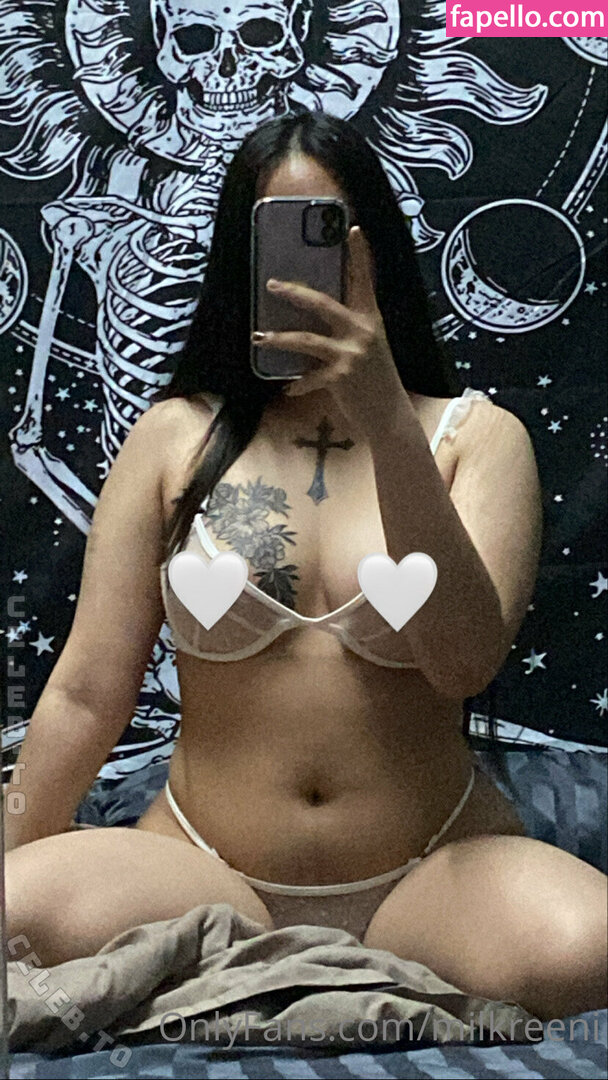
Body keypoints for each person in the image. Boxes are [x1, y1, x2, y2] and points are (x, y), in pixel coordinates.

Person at [5, 110, 606, 1021]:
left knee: (589, 947)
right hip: (199, 873)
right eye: (274, 241)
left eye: (325, 237)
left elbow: (462, 662)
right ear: (238, 260)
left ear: (375, 252)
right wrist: (15, 853)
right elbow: (88, 693)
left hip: (431, 877)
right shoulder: (174, 437)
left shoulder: (476, 438)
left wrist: (386, 417)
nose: (299, 274)